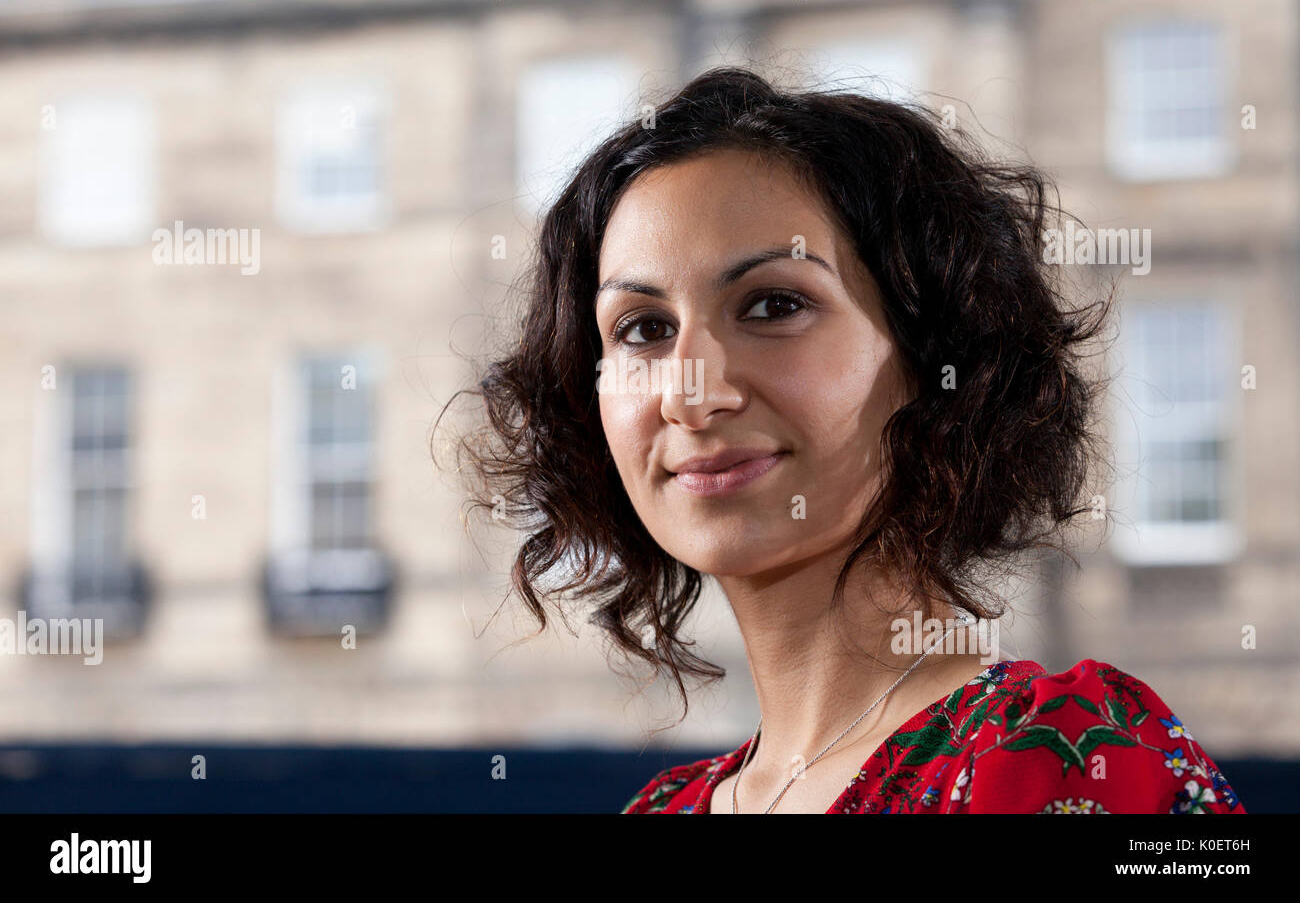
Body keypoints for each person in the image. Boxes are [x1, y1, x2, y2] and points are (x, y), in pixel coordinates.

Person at [440, 66, 1246, 814]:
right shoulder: (664, 808)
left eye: (772, 307)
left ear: (935, 357)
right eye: (644, 328)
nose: (691, 394)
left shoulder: (1065, 752)